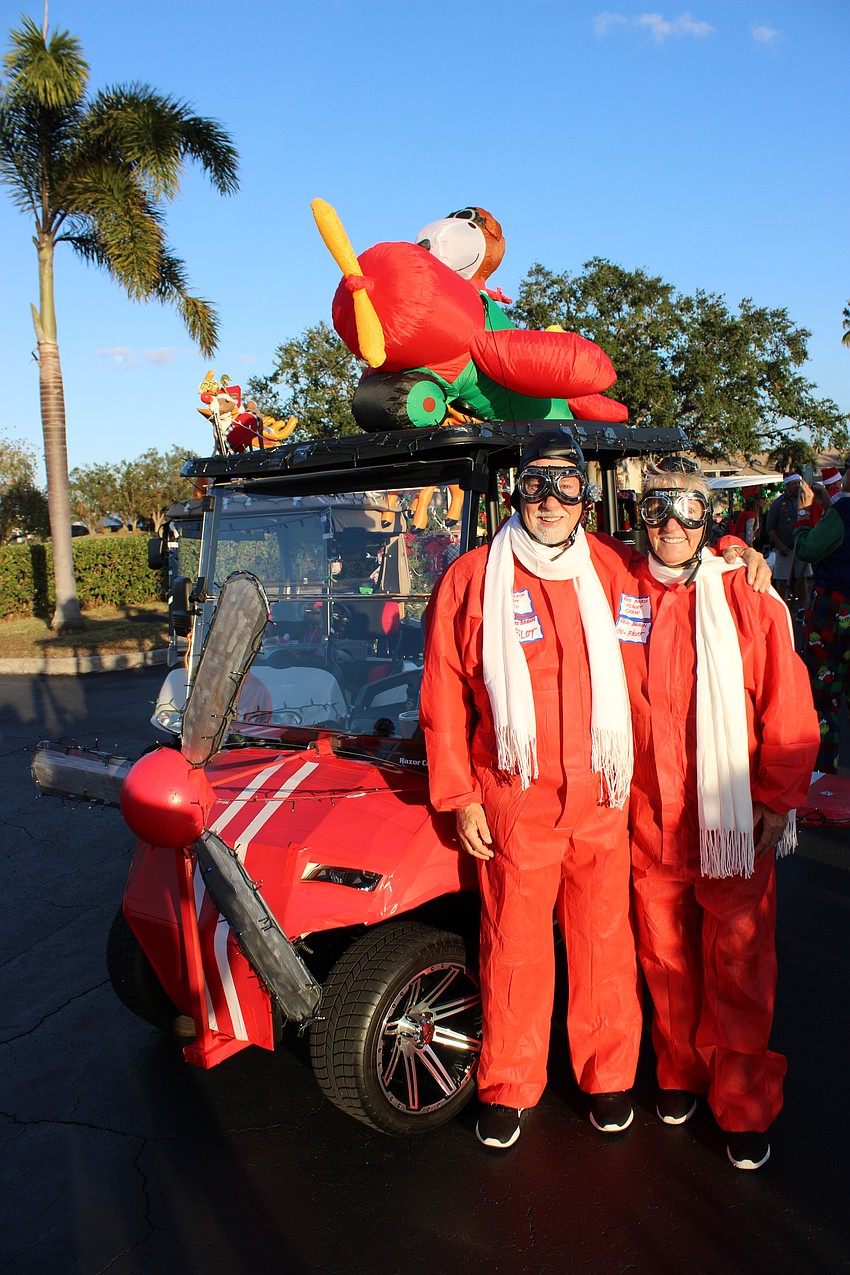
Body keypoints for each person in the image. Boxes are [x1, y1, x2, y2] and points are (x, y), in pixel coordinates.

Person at [420, 431, 766, 1151]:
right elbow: (444, 695)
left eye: (566, 486)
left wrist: (737, 552)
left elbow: (683, 564)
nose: (550, 501)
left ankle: (609, 1077)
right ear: (515, 492)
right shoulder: (472, 577)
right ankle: (509, 1084)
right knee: (513, 946)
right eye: (536, 485)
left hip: (608, 802)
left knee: (605, 945)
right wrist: (460, 795)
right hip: (516, 800)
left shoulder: (614, 567)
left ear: (586, 494)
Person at [618, 458, 819, 1172]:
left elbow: (787, 710)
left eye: (688, 512)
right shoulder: (612, 584)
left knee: (738, 964)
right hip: (651, 816)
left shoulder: (749, 597)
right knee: (665, 957)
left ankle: (743, 1102)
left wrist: (773, 799)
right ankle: (680, 1073)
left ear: (713, 521)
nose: (670, 526)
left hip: (732, 817)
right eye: (656, 510)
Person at [794, 476, 850, 773]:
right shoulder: (839, 510)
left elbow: (807, 550)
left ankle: (824, 779)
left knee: (823, 699)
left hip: (834, 610)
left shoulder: (843, 512)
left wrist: (804, 513)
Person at [765, 474, 811, 606]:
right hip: (784, 547)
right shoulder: (778, 504)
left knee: (802, 579)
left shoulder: (803, 501)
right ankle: (780, 609)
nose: (797, 486)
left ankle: (803, 610)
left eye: (799, 483)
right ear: (787, 486)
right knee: (782, 581)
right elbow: (770, 528)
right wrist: (780, 545)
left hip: (800, 547)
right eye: (794, 484)